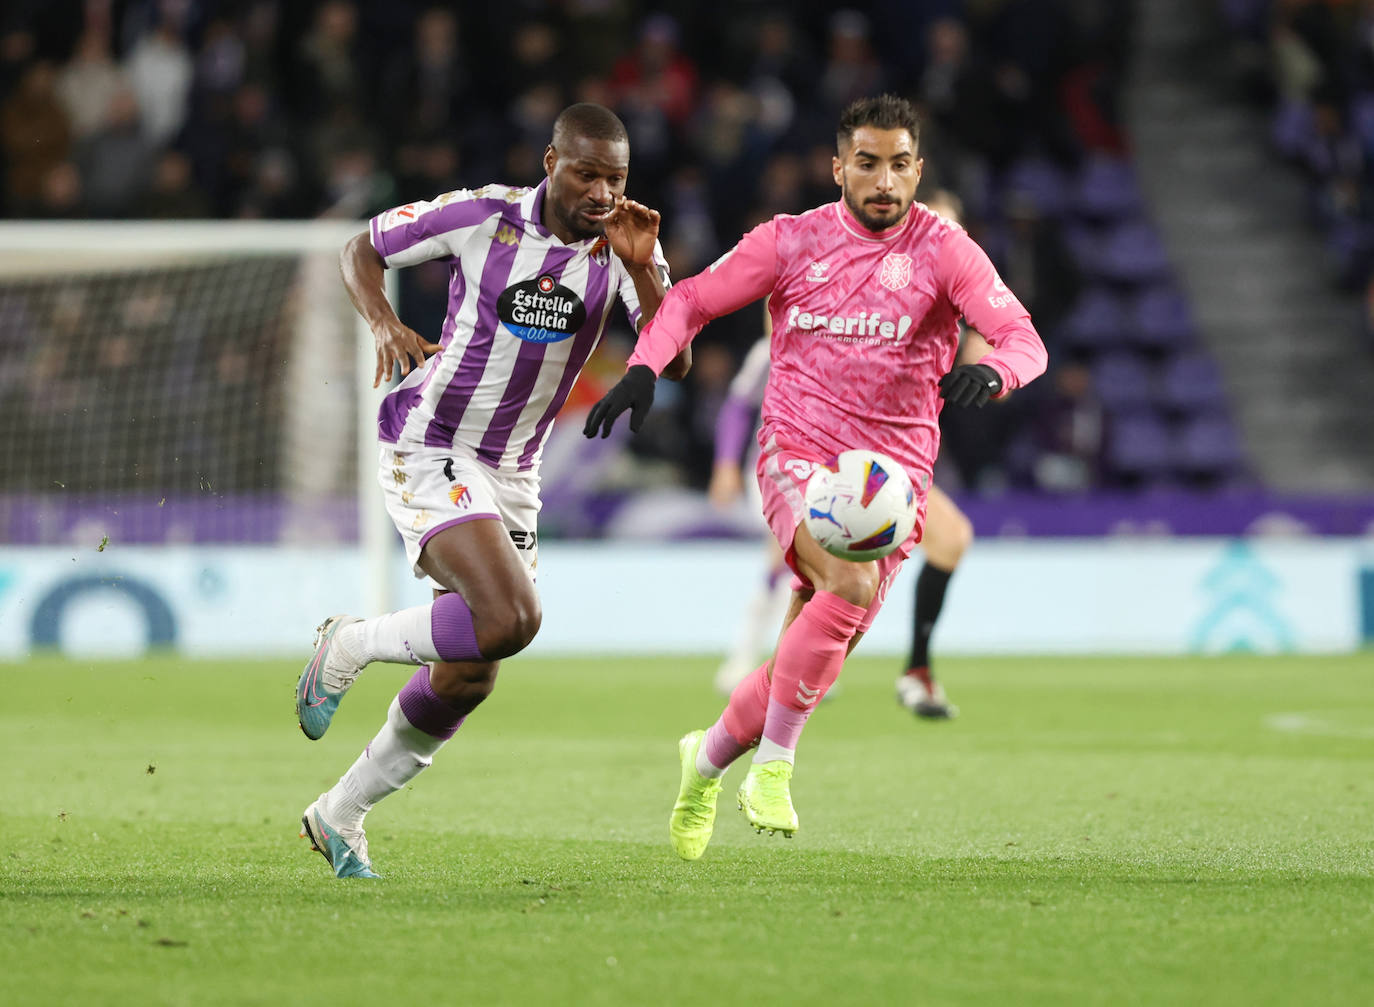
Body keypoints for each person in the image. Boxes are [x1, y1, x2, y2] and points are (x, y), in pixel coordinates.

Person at [583, 94, 1047, 859]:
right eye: (867, 162)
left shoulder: (945, 250)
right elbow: (694, 299)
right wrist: (643, 367)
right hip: (800, 452)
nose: (884, 180)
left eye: (900, 164)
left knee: (809, 660)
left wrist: (996, 373)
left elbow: (1022, 336)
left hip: (895, 483)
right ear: (838, 168)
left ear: (919, 169)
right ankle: (774, 766)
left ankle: (702, 763)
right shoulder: (790, 242)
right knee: (853, 588)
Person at [294, 102, 686, 879]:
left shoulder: (625, 246)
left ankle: (340, 812)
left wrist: (644, 263)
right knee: (510, 616)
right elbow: (360, 248)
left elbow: (668, 360)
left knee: (474, 666)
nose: (604, 191)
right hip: (432, 440)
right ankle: (350, 643)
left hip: (514, 472)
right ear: (551, 163)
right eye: (587, 173)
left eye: (617, 177)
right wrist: (381, 322)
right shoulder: (481, 215)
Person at [711, 190, 981, 721]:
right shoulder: (849, 298)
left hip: (891, 468)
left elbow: (999, 350)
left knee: (950, 540)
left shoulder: (950, 304)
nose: (947, 240)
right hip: (818, 456)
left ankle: (913, 670)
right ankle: (756, 671)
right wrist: (725, 464)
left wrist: (988, 366)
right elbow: (753, 381)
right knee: (809, 566)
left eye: (957, 231)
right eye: (940, 227)